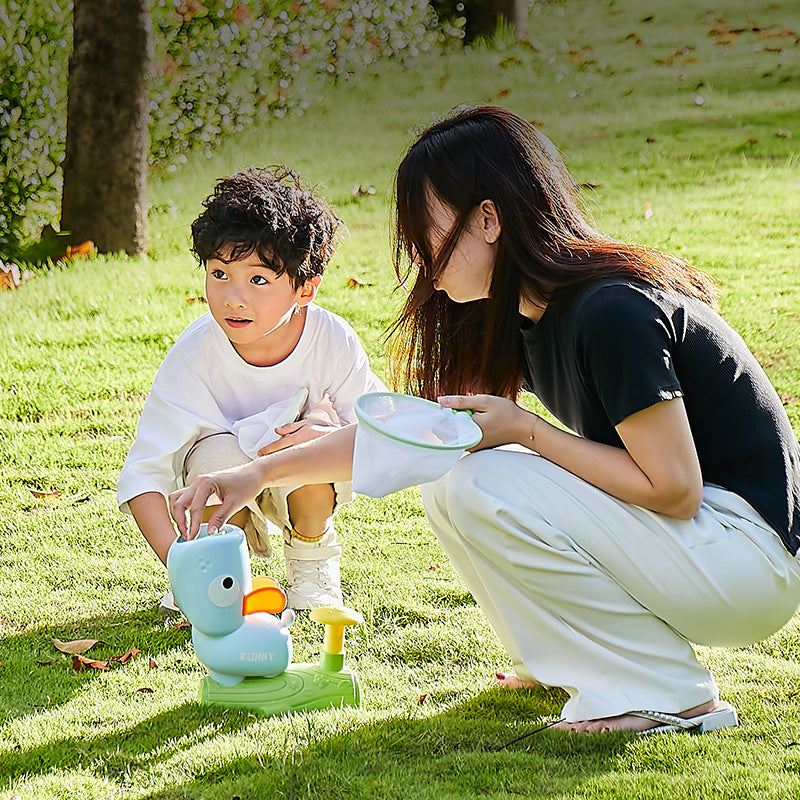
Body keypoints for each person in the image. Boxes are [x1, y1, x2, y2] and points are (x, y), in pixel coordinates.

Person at [168, 107, 800, 734]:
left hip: (749, 560)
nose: (418, 254)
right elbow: (410, 441)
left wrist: (528, 433)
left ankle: (665, 696)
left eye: (427, 230)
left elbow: (676, 490)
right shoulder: (515, 315)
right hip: (700, 550)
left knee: (483, 480)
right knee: (452, 480)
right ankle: (567, 661)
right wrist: (255, 474)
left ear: (489, 219)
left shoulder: (610, 312)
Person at [117, 166, 385, 610]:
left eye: (258, 279)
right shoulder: (196, 352)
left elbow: (381, 433)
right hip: (222, 487)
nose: (232, 298)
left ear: (305, 289)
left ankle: (311, 559)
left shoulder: (333, 340)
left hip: (299, 488)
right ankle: (221, 568)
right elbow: (145, 473)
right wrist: (180, 564)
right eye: (219, 273)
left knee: (309, 447)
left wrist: (325, 433)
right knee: (214, 460)